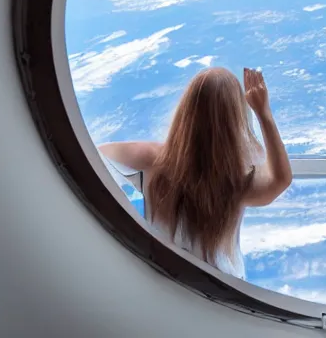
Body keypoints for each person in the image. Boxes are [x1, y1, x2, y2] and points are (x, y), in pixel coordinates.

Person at [98, 67, 292, 280]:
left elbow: (96, 155)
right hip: (220, 289)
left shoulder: (152, 159)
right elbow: (280, 179)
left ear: (186, 110)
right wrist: (263, 113)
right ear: (235, 119)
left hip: (161, 278)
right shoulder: (236, 183)